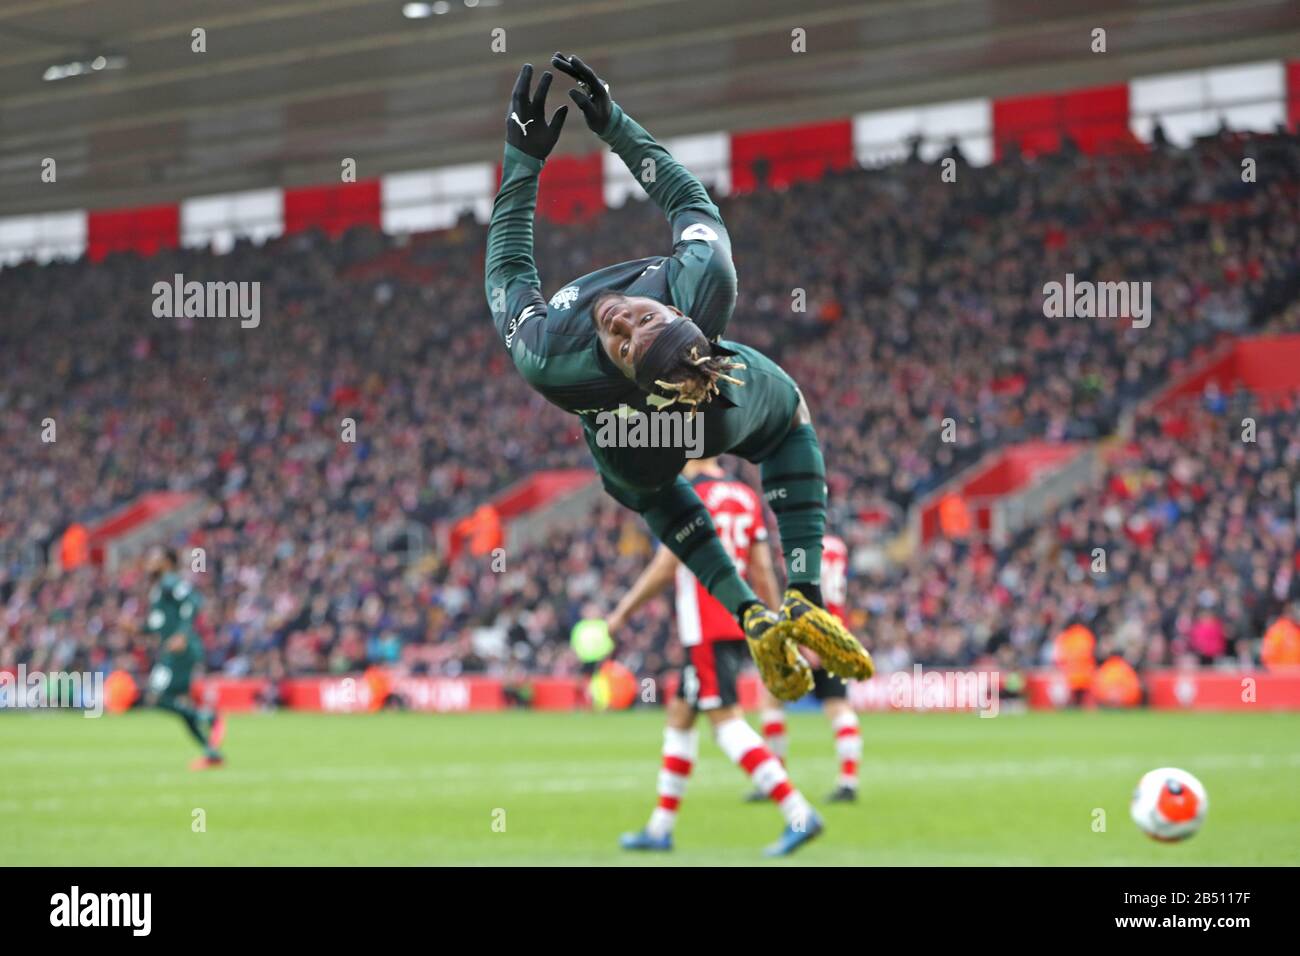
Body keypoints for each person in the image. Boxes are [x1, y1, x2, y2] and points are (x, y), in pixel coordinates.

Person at [484, 54, 873, 703]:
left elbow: (507, 270)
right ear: (678, 310)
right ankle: (801, 597)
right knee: (785, 422)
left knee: (659, 498)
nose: (621, 322)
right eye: (641, 321)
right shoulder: (705, 280)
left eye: (628, 341)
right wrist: (612, 122)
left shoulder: (554, 357)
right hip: (708, 398)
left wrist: (522, 162)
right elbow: (686, 198)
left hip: (632, 443)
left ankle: (755, 612)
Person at [606, 458, 822, 856]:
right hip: (737, 615)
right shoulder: (745, 496)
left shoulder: (688, 497)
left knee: (726, 724)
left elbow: (666, 566)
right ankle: (660, 828)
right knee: (681, 713)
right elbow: (761, 568)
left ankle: (798, 812)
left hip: (704, 623)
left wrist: (621, 614)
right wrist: (774, 624)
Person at [752, 531, 863, 803]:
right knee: (838, 706)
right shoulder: (838, 546)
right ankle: (848, 782)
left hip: (805, 632)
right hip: (835, 632)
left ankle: (776, 778)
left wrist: (804, 642)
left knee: (772, 701)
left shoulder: (799, 544)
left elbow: (802, 592)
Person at [141, 546, 225, 769]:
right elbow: (157, 625)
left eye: (154, 558)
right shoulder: (159, 588)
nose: (148, 562)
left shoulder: (170, 582)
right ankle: (211, 752)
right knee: (176, 706)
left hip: (181, 651)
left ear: (166, 563)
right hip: (172, 651)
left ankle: (206, 717)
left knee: (157, 697)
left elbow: (194, 602)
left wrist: (183, 634)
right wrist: (136, 628)